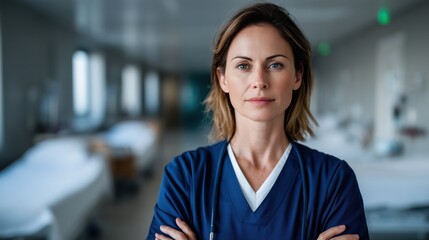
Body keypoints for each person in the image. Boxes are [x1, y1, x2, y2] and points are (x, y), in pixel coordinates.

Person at [147, 2, 369, 240]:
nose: (259, 80)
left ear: (297, 76)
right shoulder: (185, 176)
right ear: (222, 79)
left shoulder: (333, 181)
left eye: (275, 65)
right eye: (243, 65)